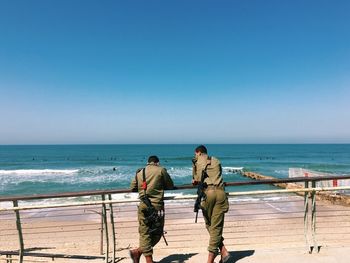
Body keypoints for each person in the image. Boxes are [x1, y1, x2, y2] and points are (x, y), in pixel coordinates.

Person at [129, 155, 174, 263]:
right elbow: (170, 185)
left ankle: (138, 252)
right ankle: (148, 260)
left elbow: (132, 187)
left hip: (143, 205)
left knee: (145, 233)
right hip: (156, 207)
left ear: (148, 163)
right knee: (157, 233)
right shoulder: (161, 170)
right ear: (157, 163)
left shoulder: (140, 172)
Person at [192, 145, 230, 263]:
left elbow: (197, 179)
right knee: (215, 226)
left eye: (195, 154)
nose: (195, 156)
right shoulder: (216, 160)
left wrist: (195, 180)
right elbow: (219, 175)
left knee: (210, 224)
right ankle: (223, 250)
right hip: (220, 192)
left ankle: (210, 260)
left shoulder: (198, 161)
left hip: (208, 194)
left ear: (198, 152)